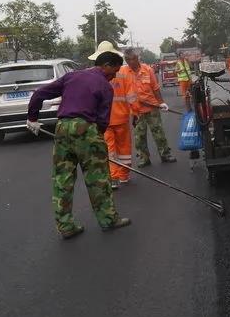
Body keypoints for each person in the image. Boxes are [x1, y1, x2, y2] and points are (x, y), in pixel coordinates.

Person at [25, 51, 131, 239]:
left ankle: (65, 226)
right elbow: (102, 122)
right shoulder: (105, 87)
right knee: (97, 178)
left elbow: (39, 94)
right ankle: (108, 220)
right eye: (113, 72)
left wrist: (32, 118)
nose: (113, 76)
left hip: (62, 128)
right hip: (87, 129)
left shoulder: (71, 77)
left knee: (62, 179)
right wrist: (96, 143)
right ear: (105, 65)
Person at [89, 41, 136, 189]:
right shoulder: (123, 72)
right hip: (121, 117)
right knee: (124, 149)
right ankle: (123, 176)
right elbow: (131, 96)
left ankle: (114, 177)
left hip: (104, 119)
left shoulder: (93, 74)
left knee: (109, 150)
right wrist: (135, 112)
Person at [120, 48, 176, 167]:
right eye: (127, 60)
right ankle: (144, 158)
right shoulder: (123, 72)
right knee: (139, 137)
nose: (130, 62)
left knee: (158, 133)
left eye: (132, 60)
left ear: (137, 58)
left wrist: (161, 102)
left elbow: (155, 88)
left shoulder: (147, 69)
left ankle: (165, 154)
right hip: (136, 111)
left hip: (152, 108)